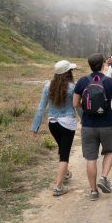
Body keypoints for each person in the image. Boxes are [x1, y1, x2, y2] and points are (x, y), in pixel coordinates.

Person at [73, 53, 112, 201]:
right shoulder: (110, 82)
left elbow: (75, 103)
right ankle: (103, 177)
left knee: (91, 158)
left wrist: (84, 113)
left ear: (89, 65)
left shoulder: (82, 81)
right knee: (110, 151)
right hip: (107, 125)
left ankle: (93, 192)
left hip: (88, 126)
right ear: (104, 65)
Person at [31, 60, 78, 197]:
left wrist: (35, 127)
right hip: (67, 123)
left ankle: (66, 173)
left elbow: (41, 107)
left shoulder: (47, 86)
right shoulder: (72, 87)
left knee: (61, 147)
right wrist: (86, 121)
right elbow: (77, 106)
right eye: (71, 70)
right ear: (67, 73)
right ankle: (58, 187)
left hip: (52, 123)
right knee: (65, 154)